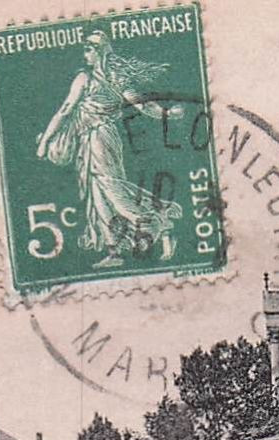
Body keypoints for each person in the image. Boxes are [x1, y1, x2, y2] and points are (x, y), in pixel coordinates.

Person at [35, 31, 183, 269]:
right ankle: (114, 250)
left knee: (110, 188)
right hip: (97, 139)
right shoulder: (116, 79)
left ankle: (157, 222)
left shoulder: (87, 78)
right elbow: (142, 104)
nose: (85, 54)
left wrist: (44, 142)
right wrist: (166, 114)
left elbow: (65, 110)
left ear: (99, 51)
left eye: (89, 49)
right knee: (100, 194)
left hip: (99, 139)